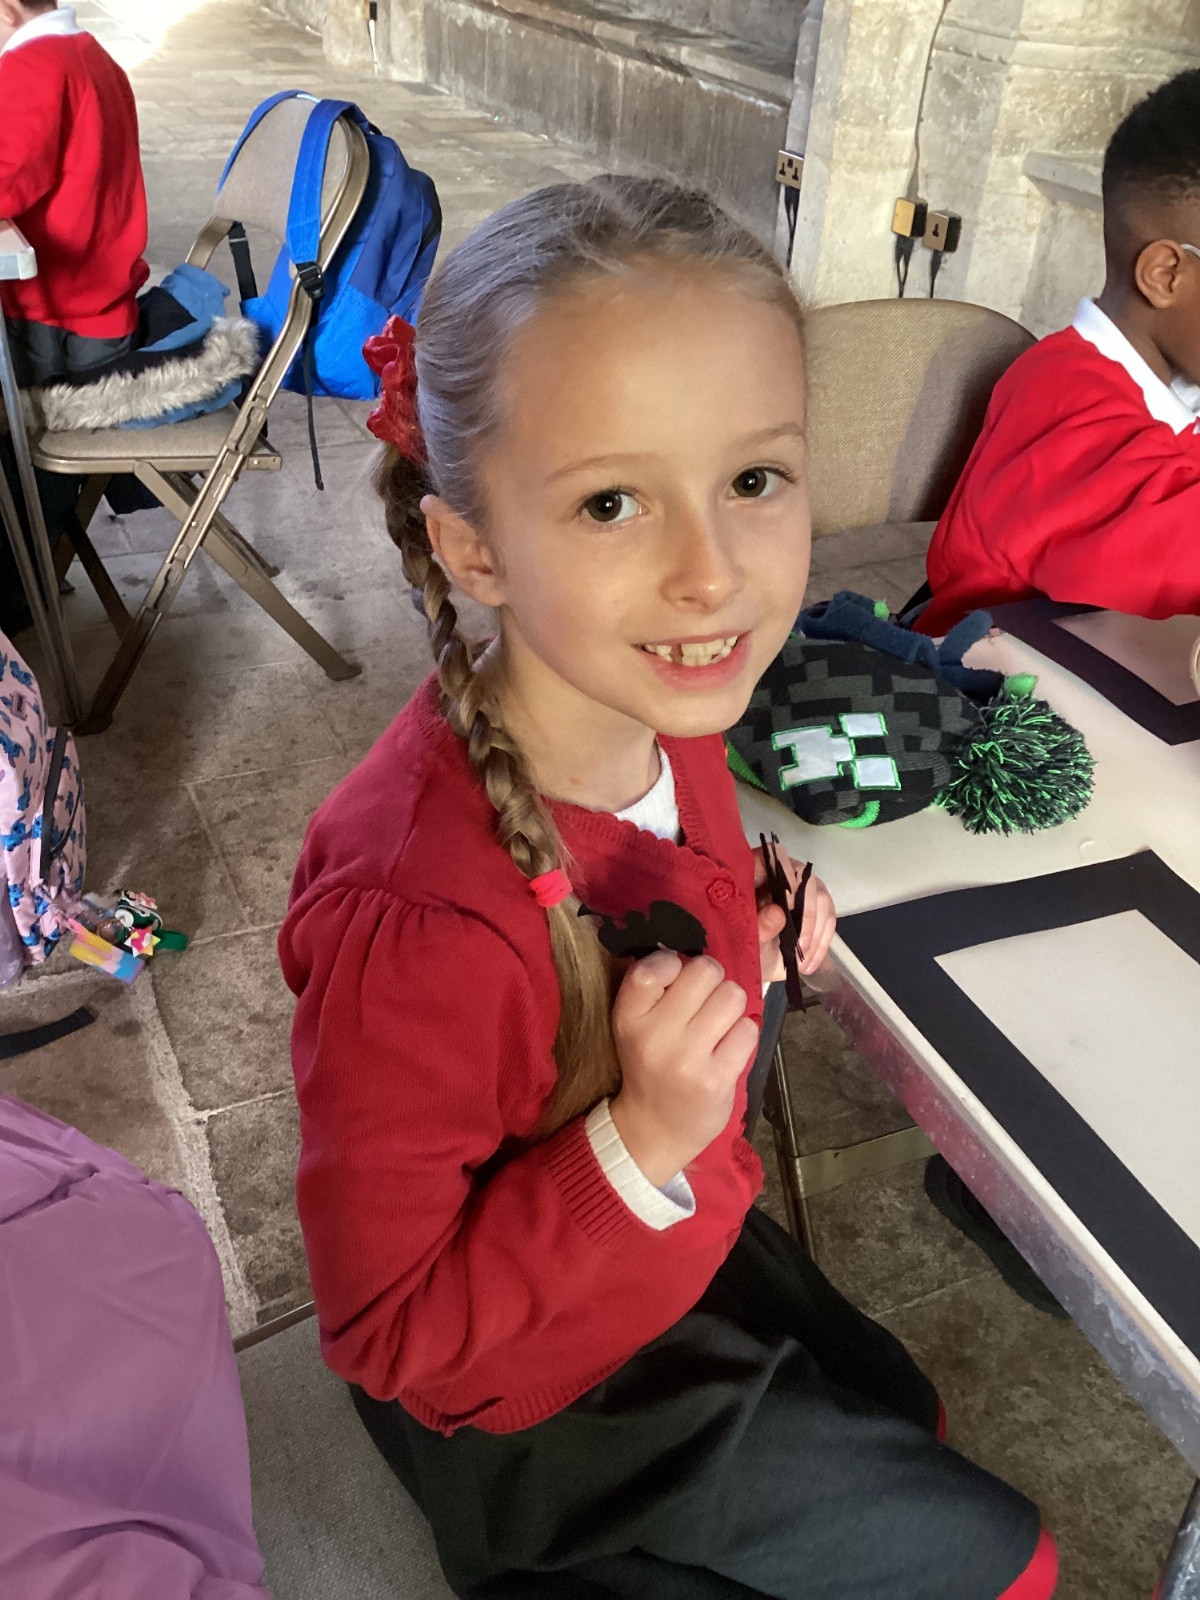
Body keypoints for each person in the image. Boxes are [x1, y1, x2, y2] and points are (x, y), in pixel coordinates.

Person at [280, 177, 1058, 1600]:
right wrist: (637, 1139)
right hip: (536, 1402)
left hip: (675, 1247)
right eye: (612, 502)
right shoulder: (419, 922)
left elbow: (634, 908)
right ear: (472, 548)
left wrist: (737, 932)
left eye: (754, 480)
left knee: (910, 1415)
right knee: (1007, 1567)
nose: (714, 577)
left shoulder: (670, 712)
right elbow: (389, 1333)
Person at [918, 68, 1200, 637]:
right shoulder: (1065, 409)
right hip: (979, 681)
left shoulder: (1168, 380)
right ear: (1166, 275)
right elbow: (1172, 553)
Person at [0, 0, 149, 635]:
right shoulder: (93, 56)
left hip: (58, 314)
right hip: (100, 305)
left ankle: (20, 589)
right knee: (37, 448)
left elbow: (7, 179)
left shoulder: (34, 67)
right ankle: (44, 562)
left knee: (25, 447)